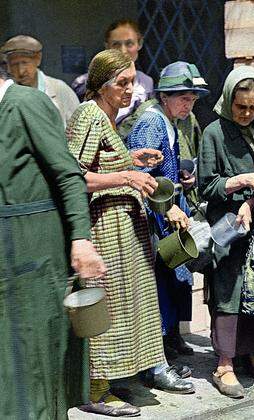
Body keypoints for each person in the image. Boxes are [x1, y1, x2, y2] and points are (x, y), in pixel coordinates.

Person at [67, 49, 195, 417]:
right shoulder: (89, 114)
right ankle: (95, 391)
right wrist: (126, 176)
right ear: (100, 85)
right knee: (106, 310)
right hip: (104, 228)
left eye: (133, 81)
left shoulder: (109, 117)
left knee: (130, 308)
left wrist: (131, 157)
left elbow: (101, 161)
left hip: (126, 229)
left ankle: (122, 379)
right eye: (121, 83)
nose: (130, 89)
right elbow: (73, 175)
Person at [0, 65, 107, 419]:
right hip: (8, 256)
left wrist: (81, 240)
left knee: (35, 361)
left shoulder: (25, 104)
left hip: (34, 253)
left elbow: (68, 175)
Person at [198, 66, 254, 398]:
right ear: (229, 100)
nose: (247, 113)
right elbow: (208, 186)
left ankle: (251, 352)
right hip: (228, 227)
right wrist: (241, 181)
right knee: (229, 288)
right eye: (241, 107)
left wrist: (252, 201)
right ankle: (225, 363)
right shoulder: (214, 133)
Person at [127, 61, 210, 360]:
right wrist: (167, 208)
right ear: (164, 96)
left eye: (192, 99)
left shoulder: (169, 120)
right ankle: (158, 351)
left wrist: (181, 178)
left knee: (177, 275)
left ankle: (172, 338)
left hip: (172, 206)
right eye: (183, 98)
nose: (189, 104)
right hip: (155, 213)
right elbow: (143, 178)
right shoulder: (151, 122)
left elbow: (165, 168)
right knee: (160, 280)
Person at [71, 18, 153, 124]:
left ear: (139, 44)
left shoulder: (146, 83)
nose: (123, 50)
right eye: (116, 44)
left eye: (129, 44)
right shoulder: (83, 82)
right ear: (107, 46)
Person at [1, 35, 79, 126]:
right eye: (15, 64)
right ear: (8, 67)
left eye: (25, 63)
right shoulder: (4, 93)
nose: (21, 71)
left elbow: (79, 128)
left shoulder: (59, 89)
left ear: (38, 59)